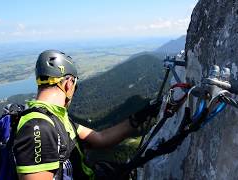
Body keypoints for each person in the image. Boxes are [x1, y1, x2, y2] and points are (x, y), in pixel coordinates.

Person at [13, 50, 160, 180]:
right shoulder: (39, 127)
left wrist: (139, 117)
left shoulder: (57, 118)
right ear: (68, 84)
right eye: (75, 86)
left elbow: (101, 139)